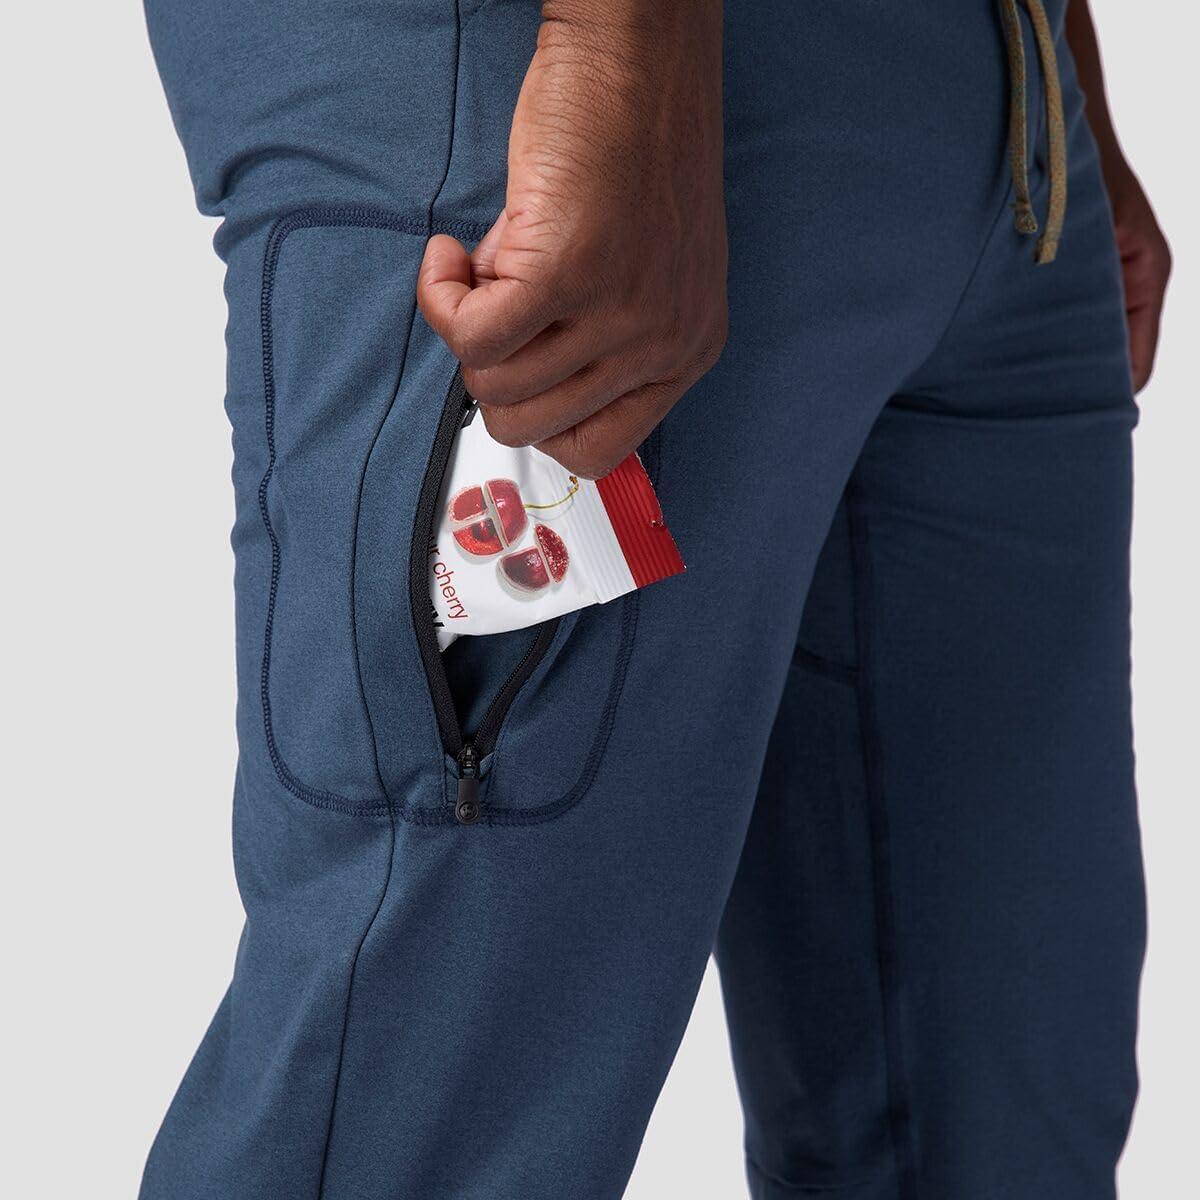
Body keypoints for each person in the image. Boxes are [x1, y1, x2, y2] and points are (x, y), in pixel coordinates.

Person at [138, 1, 1170, 1197]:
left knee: (998, 1118)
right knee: (418, 1109)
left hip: (1008, 129)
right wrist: (613, 52)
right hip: (569, 95)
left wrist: (1056, 82)